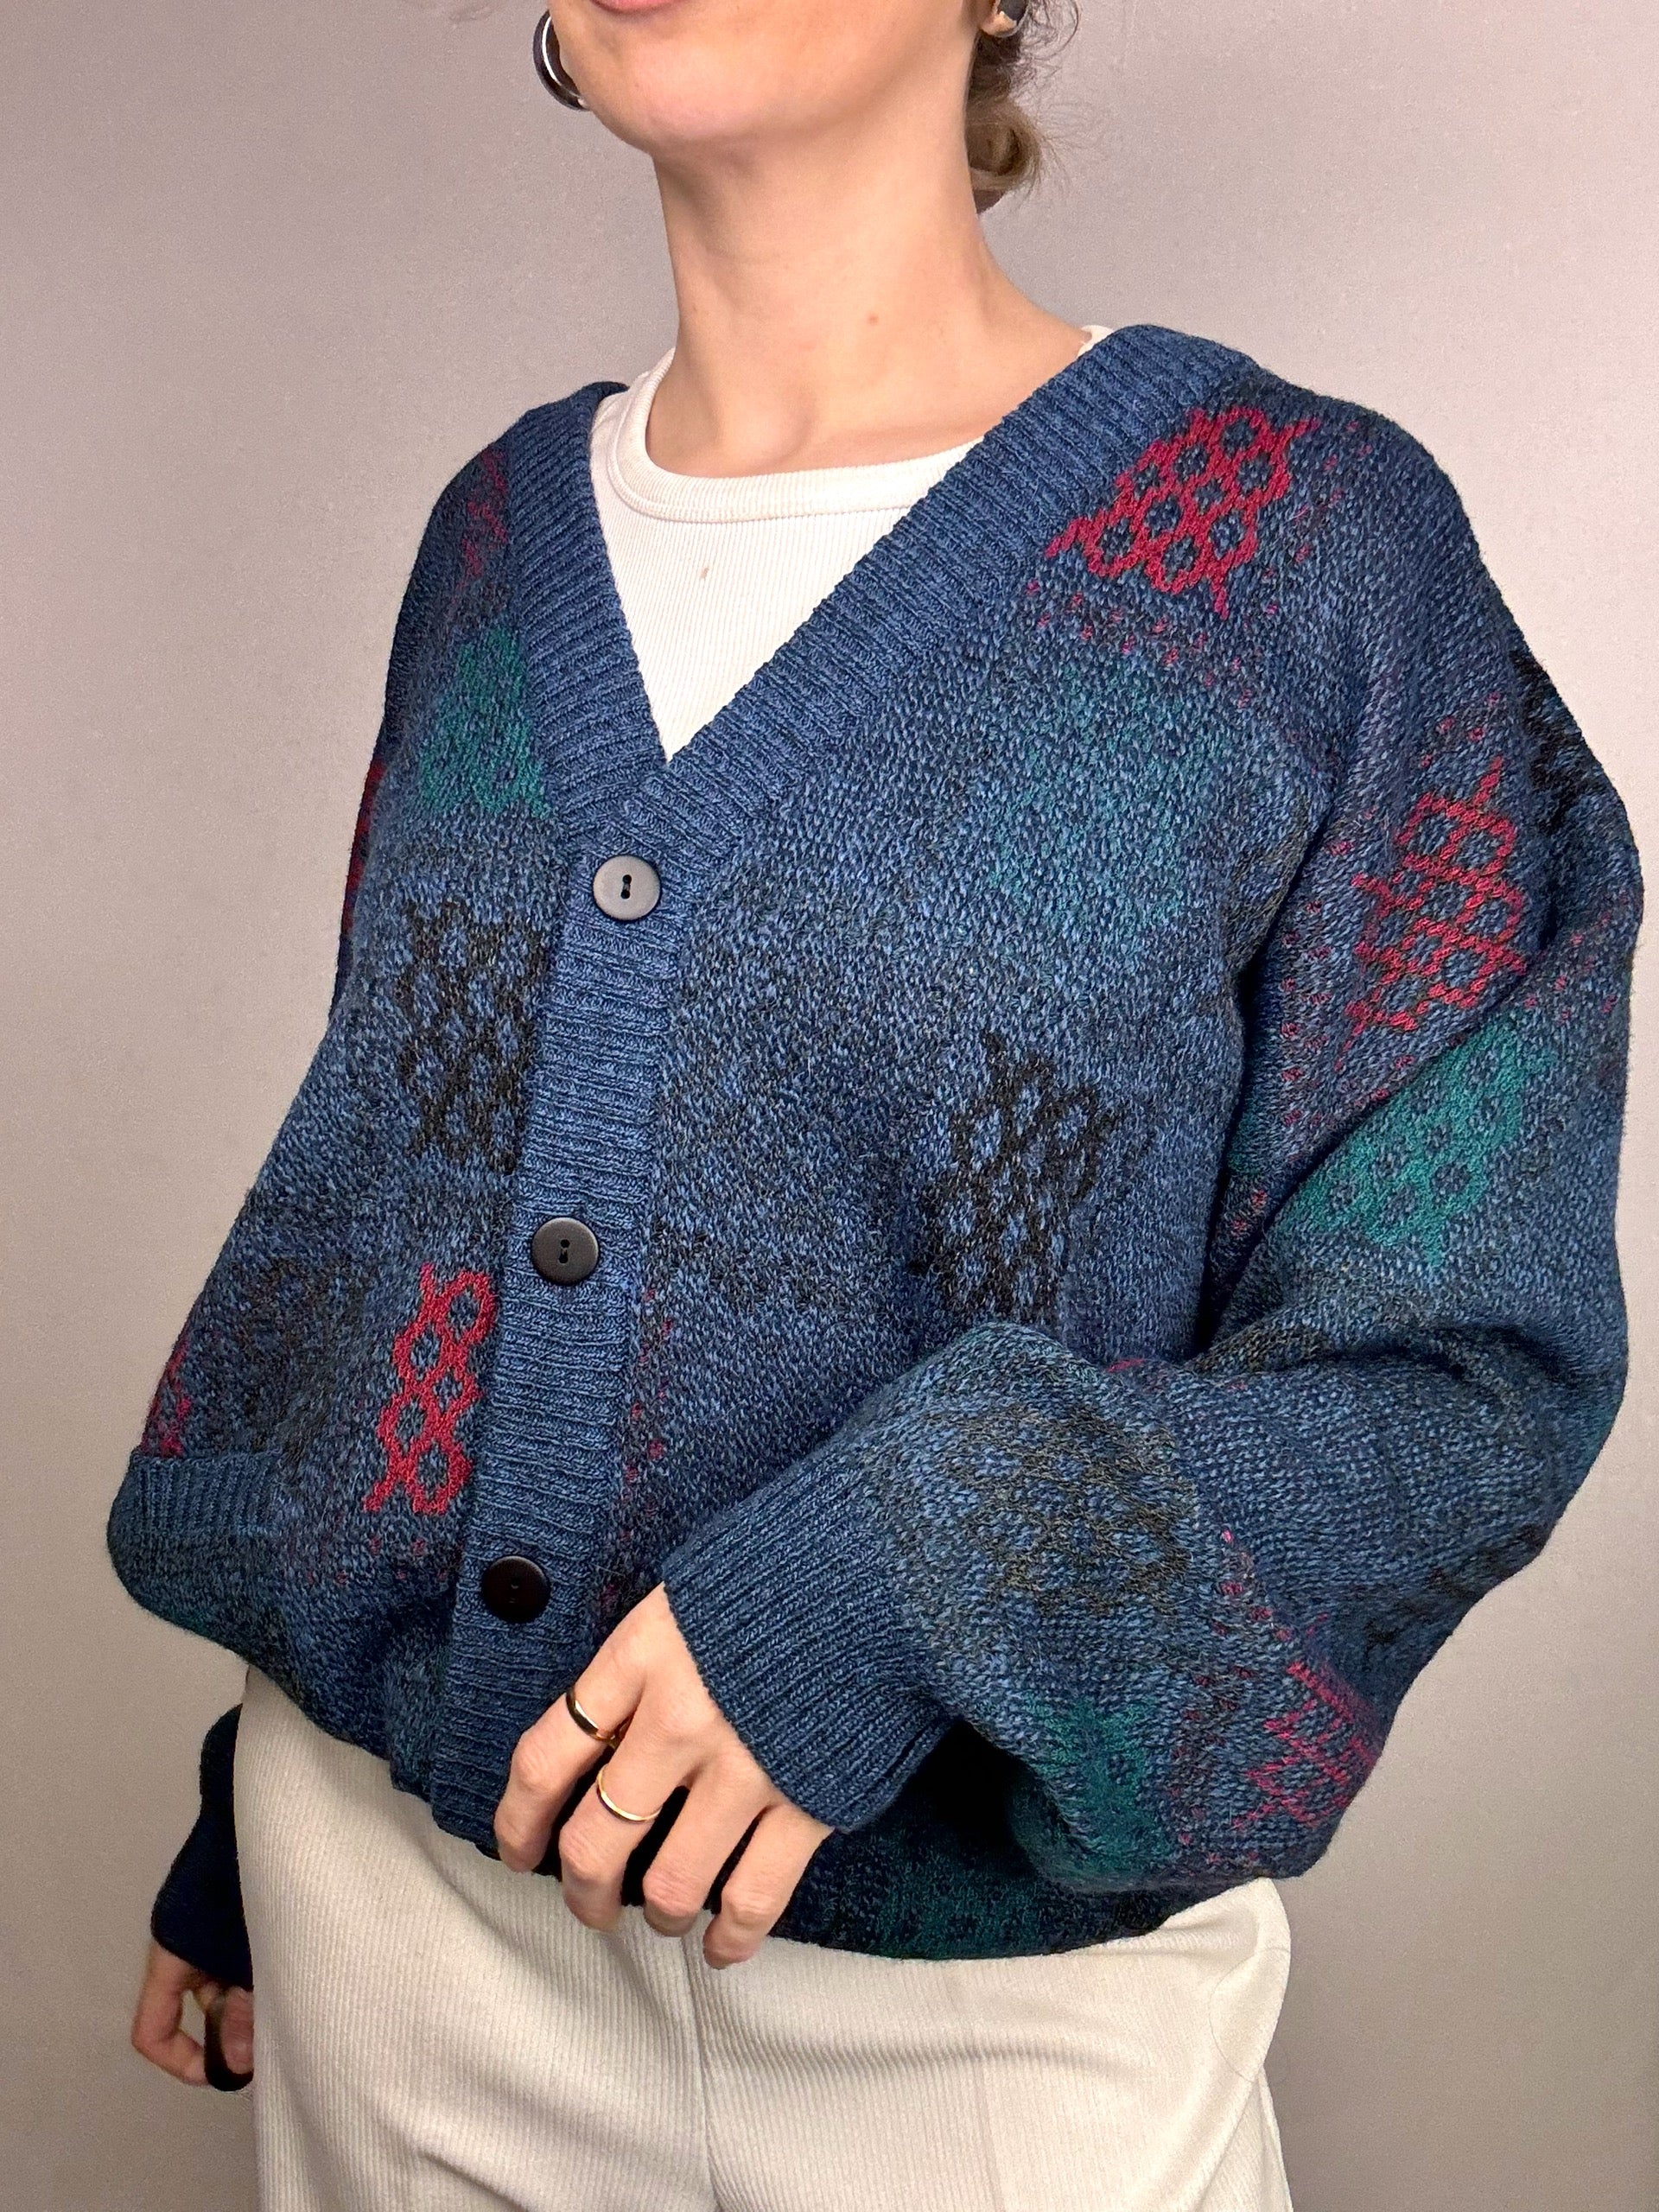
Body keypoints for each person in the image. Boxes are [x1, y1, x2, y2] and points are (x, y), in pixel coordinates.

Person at [111, 1, 1641, 2206]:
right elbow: (409, 1217)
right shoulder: (491, 538)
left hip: (967, 2028)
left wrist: (933, 1556)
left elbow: (1465, 1366)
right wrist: (294, 1734)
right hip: (396, 1937)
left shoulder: (1308, 554)